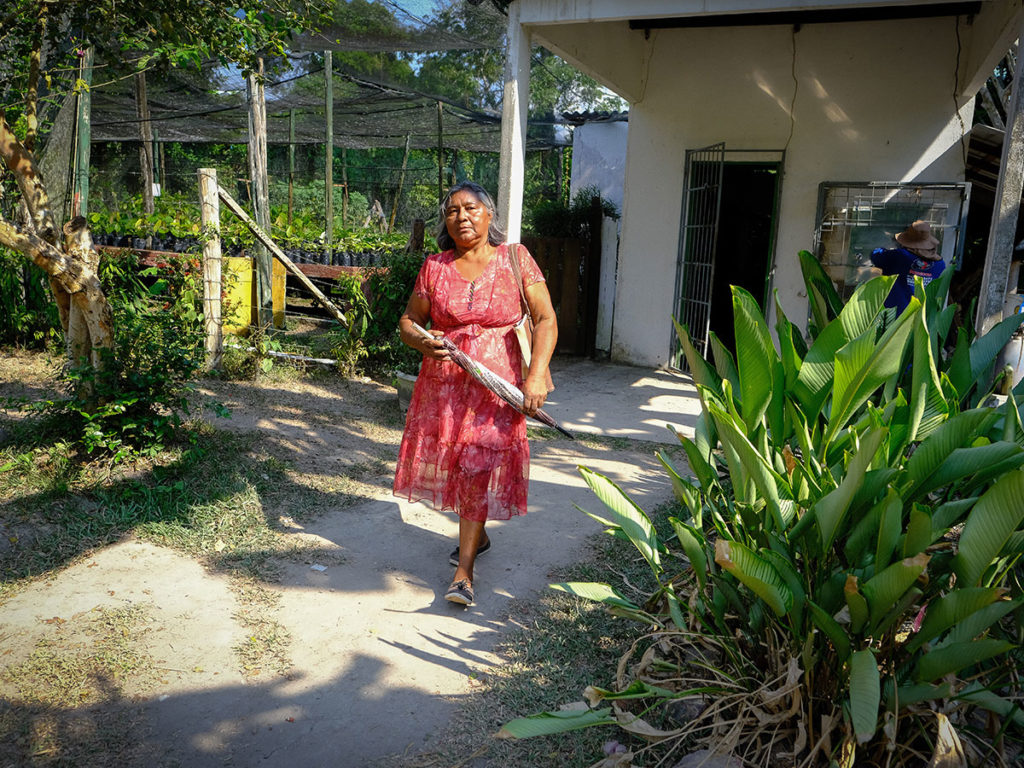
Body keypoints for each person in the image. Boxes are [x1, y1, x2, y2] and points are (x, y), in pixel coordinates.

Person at [393, 181, 557, 607]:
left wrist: (536, 376)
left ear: (489, 215)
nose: (461, 216)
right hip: (444, 388)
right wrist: (422, 341)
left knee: (477, 464)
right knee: (458, 466)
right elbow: (410, 320)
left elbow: (545, 319)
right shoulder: (434, 267)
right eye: (452, 211)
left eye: (470, 208)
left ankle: (463, 573)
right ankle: (477, 535)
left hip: (496, 389)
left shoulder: (515, 259)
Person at [869, 220, 945, 315]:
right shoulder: (940, 264)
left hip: (893, 315)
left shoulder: (901, 256)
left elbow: (875, 256)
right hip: (921, 318)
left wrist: (889, 247)